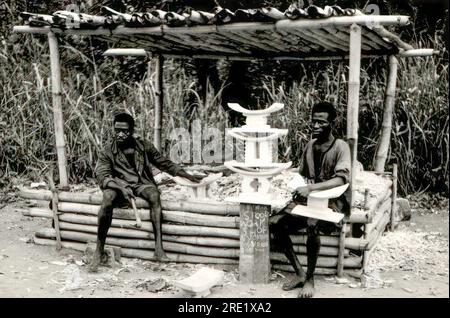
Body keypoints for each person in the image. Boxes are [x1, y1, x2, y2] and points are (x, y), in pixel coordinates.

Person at [89, 111, 203, 272]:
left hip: (141, 183)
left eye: (125, 131)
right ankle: (99, 250)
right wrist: (121, 187)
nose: (120, 134)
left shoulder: (143, 146)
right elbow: (102, 176)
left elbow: (164, 163)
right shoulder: (107, 151)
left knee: (154, 195)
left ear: (132, 131)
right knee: (107, 197)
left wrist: (186, 175)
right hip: (118, 186)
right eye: (117, 131)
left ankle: (158, 249)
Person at [269, 101, 351, 298]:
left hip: (332, 206)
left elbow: (341, 178)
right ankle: (299, 272)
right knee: (274, 223)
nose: (315, 126)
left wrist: (310, 188)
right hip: (309, 203)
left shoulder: (341, 147)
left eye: (321, 122)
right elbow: (304, 176)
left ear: (332, 123)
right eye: (314, 122)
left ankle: (310, 278)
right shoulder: (310, 146)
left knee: (312, 223)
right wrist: (296, 186)